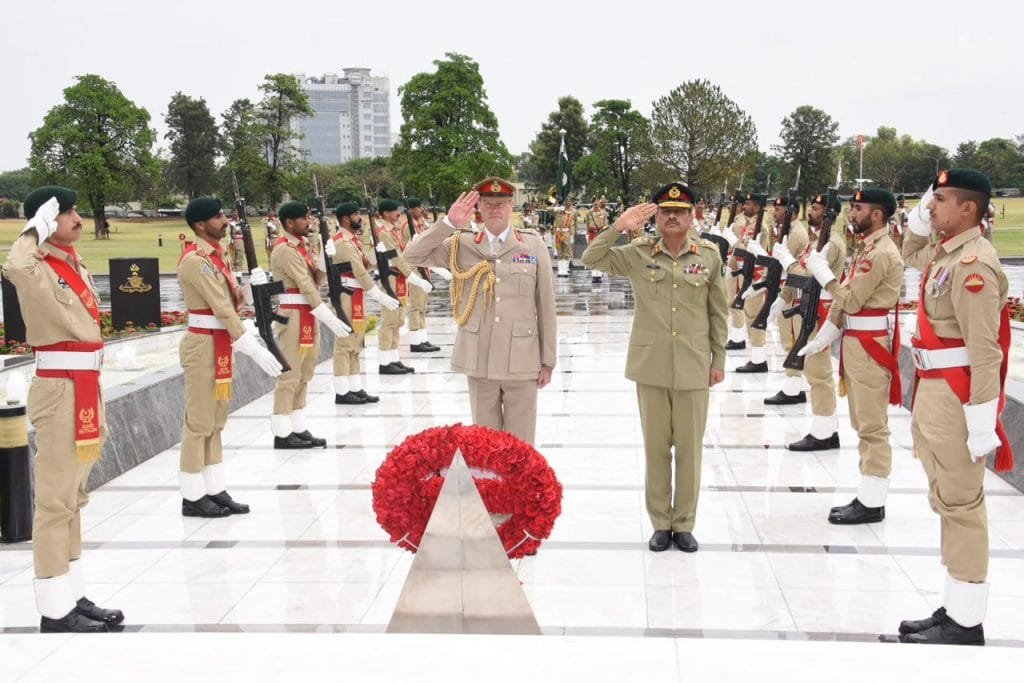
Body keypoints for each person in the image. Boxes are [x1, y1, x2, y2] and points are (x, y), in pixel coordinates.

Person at [582, 182, 727, 553]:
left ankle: (685, 523)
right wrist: (618, 226)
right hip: (651, 365)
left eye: (680, 211)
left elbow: (718, 313)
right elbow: (591, 259)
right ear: (657, 217)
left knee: (691, 449)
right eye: (665, 211)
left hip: (694, 364)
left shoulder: (709, 255)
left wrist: (719, 360)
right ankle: (661, 523)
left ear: (693, 216)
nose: (673, 216)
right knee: (657, 449)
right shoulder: (637, 252)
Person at [3, 186, 123, 632]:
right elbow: (12, 264)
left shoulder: (72, 263)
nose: (77, 218)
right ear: (46, 222)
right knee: (55, 501)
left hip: (86, 384)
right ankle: (54, 608)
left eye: (75, 210)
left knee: (74, 497)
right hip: (59, 388)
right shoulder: (34, 266)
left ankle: (74, 594)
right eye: (66, 212)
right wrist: (34, 227)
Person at [898, 169, 1010, 645]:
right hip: (934, 388)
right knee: (947, 498)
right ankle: (956, 605)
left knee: (962, 503)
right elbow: (909, 253)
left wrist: (983, 422)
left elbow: (986, 351)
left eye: (939, 200)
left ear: (968, 209)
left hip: (957, 394)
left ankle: (966, 622)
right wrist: (924, 219)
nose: (930, 207)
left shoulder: (974, 266)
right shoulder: (950, 253)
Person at [403, 177, 557, 444]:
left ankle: (517, 488)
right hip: (479, 359)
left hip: (522, 359)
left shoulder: (532, 245)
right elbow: (412, 256)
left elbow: (546, 304)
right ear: (479, 209)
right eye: (488, 204)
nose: (495, 209)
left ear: (512, 207)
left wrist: (548, 360)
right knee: (485, 445)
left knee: (521, 445)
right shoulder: (461, 244)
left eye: (501, 204)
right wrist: (448, 224)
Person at [799, 188, 903, 524]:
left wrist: (824, 275)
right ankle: (868, 494)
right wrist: (827, 335)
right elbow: (849, 305)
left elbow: (853, 300)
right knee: (862, 421)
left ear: (877, 215)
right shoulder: (868, 248)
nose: (851, 214)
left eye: (858, 209)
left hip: (870, 346)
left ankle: (873, 502)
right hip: (858, 342)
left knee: (872, 426)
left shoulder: (880, 253)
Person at [176, 196, 283, 514]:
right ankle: (193, 496)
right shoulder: (196, 260)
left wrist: (256, 286)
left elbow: (231, 300)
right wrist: (251, 346)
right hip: (204, 345)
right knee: (198, 422)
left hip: (219, 343)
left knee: (216, 420)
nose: (225, 221)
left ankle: (214, 488)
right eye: (218, 216)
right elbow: (220, 308)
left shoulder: (217, 258)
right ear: (200, 225)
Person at [269, 201, 351, 448]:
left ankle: (297, 425)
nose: (309, 222)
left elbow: (316, 278)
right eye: (304, 219)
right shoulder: (284, 249)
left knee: (305, 373)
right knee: (290, 374)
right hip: (294, 314)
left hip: (308, 312)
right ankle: (283, 433)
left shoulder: (302, 247)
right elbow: (304, 285)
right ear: (290, 223)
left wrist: (327, 261)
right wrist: (329, 316)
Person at [782, 193, 848, 450]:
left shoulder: (830, 244)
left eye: (817, 208)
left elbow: (809, 275)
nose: (811, 210)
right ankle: (825, 428)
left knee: (819, 373)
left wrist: (786, 262)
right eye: (812, 206)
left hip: (820, 311)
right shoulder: (817, 243)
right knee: (812, 371)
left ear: (830, 215)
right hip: (808, 307)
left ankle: (824, 433)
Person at [331, 202, 401, 404]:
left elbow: (365, 266)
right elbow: (359, 272)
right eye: (356, 215)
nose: (360, 218)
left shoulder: (353, 241)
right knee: (345, 344)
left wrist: (375, 255)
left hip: (356, 293)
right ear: (345, 218)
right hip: (346, 294)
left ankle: (355, 387)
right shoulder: (342, 242)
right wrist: (379, 295)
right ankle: (342, 392)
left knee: (355, 343)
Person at [749, 195, 809, 399]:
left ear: (790, 212)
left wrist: (758, 252)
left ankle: (794, 387)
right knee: (788, 338)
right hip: (787, 287)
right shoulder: (789, 232)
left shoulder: (795, 235)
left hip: (791, 290)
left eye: (778, 210)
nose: (773, 213)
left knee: (791, 338)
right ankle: (793, 384)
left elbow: (781, 264)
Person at [375, 199, 433, 374]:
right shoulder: (385, 232)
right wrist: (415, 279)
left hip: (399, 276)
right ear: (385, 213)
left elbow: (402, 252)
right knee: (389, 321)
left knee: (398, 320)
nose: (397, 213)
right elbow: (397, 258)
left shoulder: (392, 231)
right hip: (392, 277)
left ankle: (393, 359)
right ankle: (385, 362)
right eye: (394, 211)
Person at [404, 197, 452, 353]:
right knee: (416, 306)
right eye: (417, 207)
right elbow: (407, 250)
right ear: (410, 209)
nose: (421, 209)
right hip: (414, 269)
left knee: (422, 306)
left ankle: (422, 338)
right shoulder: (407, 226)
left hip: (423, 268)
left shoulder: (419, 225)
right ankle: (415, 341)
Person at [585, 198, 609, 282]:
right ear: (592, 204)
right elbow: (587, 224)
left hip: (600, 234)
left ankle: (599, 274)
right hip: (592, 234)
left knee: (600, 254)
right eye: (594, 203)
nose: (596, 204)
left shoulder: (604, 213)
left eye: (597, 203)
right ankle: (594, 275)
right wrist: (587, 234)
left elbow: (606, 225)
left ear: (599, 204)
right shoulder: (589, 213)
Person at [554, 199, 576, 277]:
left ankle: (565, 270)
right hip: (558, 234)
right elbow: (547, 209)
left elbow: (572, 226)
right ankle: (560, 270)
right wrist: (557, 208)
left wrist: (572, 235)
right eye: (564, 205)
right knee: (559, 252)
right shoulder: (557, 213)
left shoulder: (570, 215)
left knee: (566, 253)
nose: (565, 206)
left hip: (566, 234)